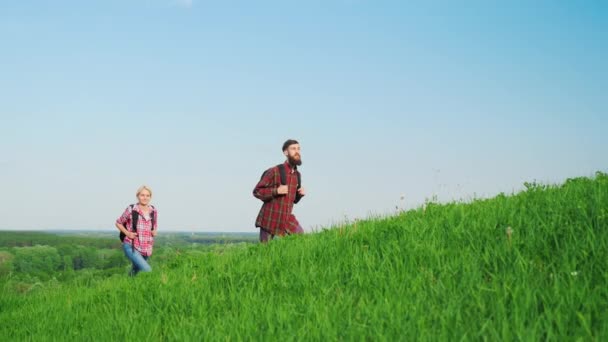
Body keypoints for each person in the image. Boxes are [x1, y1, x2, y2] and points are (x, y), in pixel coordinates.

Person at [253, 139, 306, 242]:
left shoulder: (297, 176)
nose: (297, 151)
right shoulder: (274, 171)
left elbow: (293, 200)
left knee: (301, 240)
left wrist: (299, 195)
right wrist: (276, 191)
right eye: (293, 149)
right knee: (265, 251)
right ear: (285, 152)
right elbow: (257, 191)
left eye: (298, 149)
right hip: (270, 218)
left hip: (286, 218)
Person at [115, 185, 158, 276]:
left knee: (135, 271)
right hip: (131, 246)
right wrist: (127, 233)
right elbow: (118, 222)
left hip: (146, 248)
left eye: (147, 195)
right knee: (148, 271)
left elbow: (154, 227)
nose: (145, 197)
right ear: (137, 196)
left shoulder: (153, 210)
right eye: (142, 195)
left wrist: (154, 231)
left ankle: (127, 285)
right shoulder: (131, 209)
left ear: (150, 197)